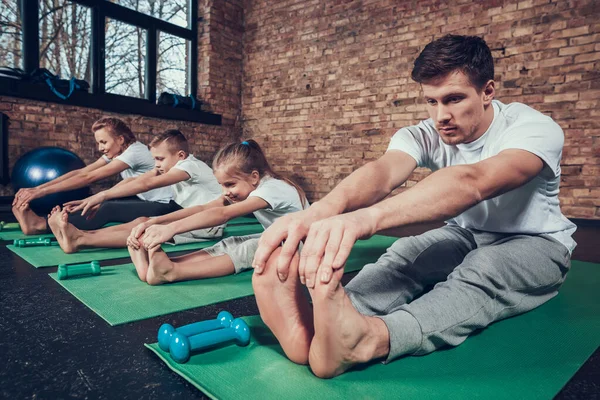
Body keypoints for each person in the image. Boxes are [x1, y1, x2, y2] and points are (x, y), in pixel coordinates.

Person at [250, 34, 577, 378]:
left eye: (453, 99)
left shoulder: (532, 128)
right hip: (466, 233)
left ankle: (371, 339)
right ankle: (319, 323)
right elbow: (382, 172)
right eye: (431, 101)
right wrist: (318, 212)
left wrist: (365, 220)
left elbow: (474, 181)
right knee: (404, 256)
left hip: (539, 244)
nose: (441, 115)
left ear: (488, 92)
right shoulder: (427, 133)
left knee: (483, 268)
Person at [127, 139, 308, 285]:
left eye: (229, 184)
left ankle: (174, 272)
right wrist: (155, 221)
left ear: (254, 177)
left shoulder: (272, 188)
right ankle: (161, 266)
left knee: (250, 248)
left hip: (303, 247)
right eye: (221, 185)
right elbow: (205, 208)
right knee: (231, 242)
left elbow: (223, 214)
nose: (225, 192)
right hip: (280, 238)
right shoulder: (251, 184)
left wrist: (171, 229)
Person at [47, 129, 224, 253]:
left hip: (209, 225)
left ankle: (80, 240)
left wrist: (102, 195)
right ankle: (79, 235)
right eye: (154, 159)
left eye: (160, 159)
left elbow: (148, 185)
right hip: (189, 215)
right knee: (142, 221)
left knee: (147, 231)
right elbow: (137, 180)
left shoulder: (189, 166)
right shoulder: (172, 166)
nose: (157, 164)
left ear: (180, 156)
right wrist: (99, 198)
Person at [12, 117, 174, 235]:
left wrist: (40, 192)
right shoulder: (117, 152)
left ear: (120, 139)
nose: (100, 148)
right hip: (146, 199)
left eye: (103, 142)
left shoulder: (134, 152)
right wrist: (38, 187)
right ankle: (49, 223)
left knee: (107, 206)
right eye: (98, 143)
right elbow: (83, 172)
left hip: (166, 205)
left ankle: (40, 225)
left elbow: (89, 178)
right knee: (100, 202)